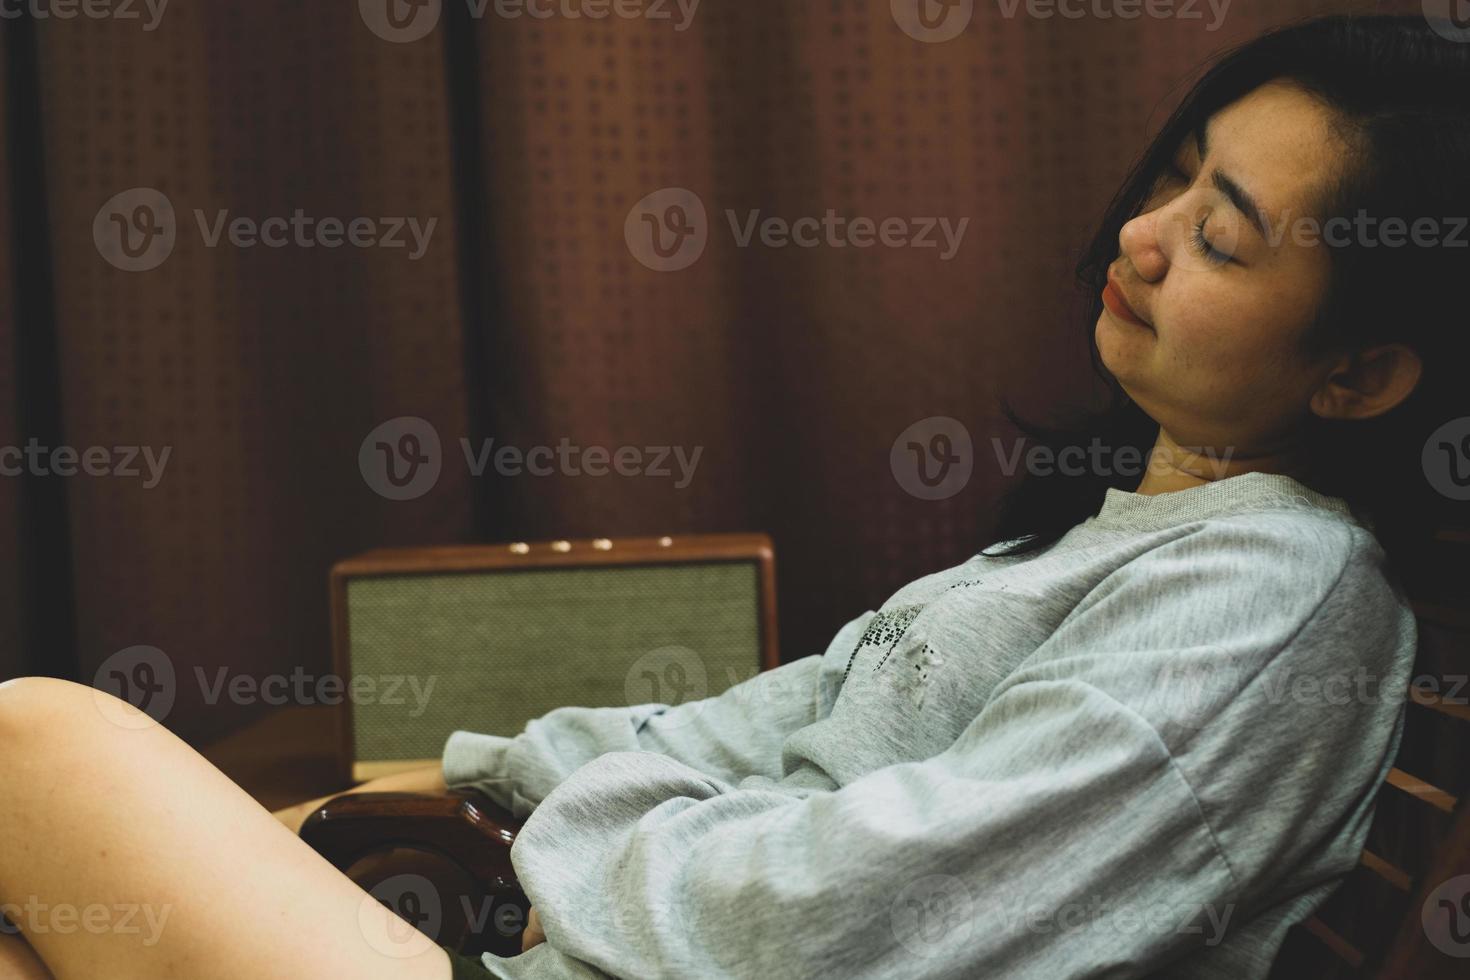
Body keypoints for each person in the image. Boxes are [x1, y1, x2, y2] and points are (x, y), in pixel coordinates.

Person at [0, 12, 1464, 980]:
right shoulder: (1118, 536)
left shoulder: (1268, 591)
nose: (1140, 237)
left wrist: (556, 852)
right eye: (1172, 181)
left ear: (1356, 374)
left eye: (1219, 240)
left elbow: (867, 908)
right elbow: (755, 725)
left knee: (33, 730)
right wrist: (449, 776)